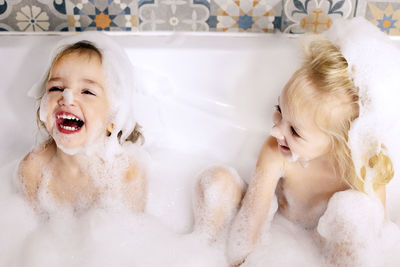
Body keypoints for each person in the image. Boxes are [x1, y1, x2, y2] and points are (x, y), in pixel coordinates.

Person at [194, 35, 394, 266]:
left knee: (355, 215)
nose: (276, 132)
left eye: (295, 132)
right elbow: (251, 225)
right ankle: (202, 252)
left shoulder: (367, 167)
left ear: (340, 144)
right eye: (279, 109)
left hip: (324, 246)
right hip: (280, 231)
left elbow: (376, 237)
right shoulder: (276, 152)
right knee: (217, 180)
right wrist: (240, 260)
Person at [18, 35, 147, 213]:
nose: (67, 98)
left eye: (87, 91)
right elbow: (25, 225)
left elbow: (133, 232)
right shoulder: (33, 168)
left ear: (113, 120)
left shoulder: (126, 174)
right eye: (56, 88)